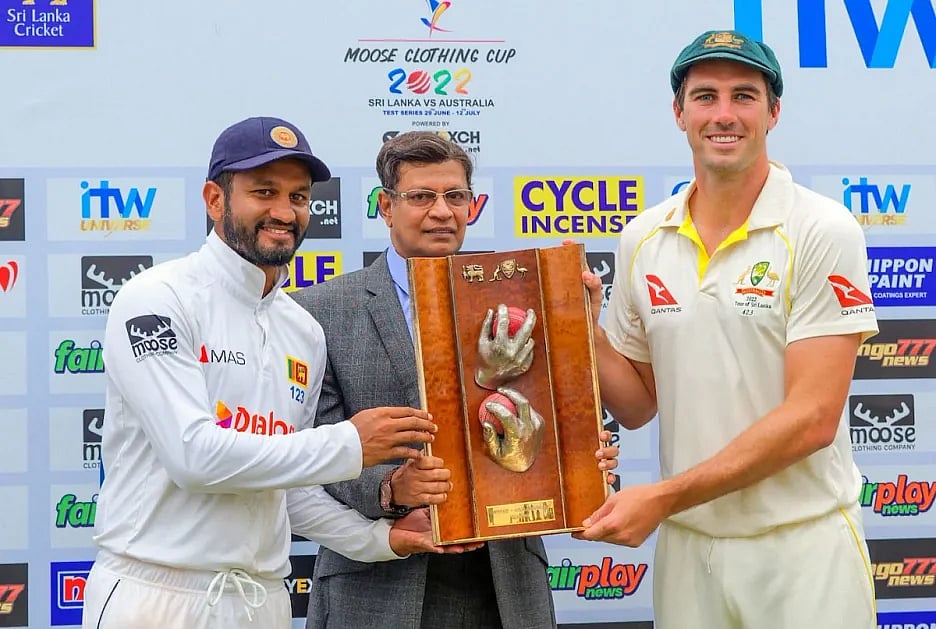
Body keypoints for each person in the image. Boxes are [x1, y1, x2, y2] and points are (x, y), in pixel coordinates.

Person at [82, 117, 461, 629]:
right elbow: (193, 456)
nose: (284, 212)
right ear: (215, 199)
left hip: (263, 598)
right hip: (157, 593)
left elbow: (291, 490)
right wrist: (350, 445)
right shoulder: (157, 298)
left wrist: (378, 540)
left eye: (299, 197)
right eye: (264, 192)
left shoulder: (300, 329)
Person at [575, 30, 879, 628]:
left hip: (803, 546)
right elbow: (637, 406)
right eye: (705, 96)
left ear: (773, 112)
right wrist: (585, 331)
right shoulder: (643, 236)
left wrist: (661, 498)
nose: (724, 115)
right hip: (690, 547)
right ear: (679, 112)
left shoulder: (823, 228)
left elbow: (814, 419)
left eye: (744, 96)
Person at [292, 131, 618, 629]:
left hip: (505, 581)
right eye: (421, 196)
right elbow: (309, 451)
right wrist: (392, 486)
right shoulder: (320, 310)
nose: (442, 211)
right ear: (385, 205)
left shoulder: (525, 295)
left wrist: (580, 454)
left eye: (455, 196)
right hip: (379, 585)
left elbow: (551, 416)